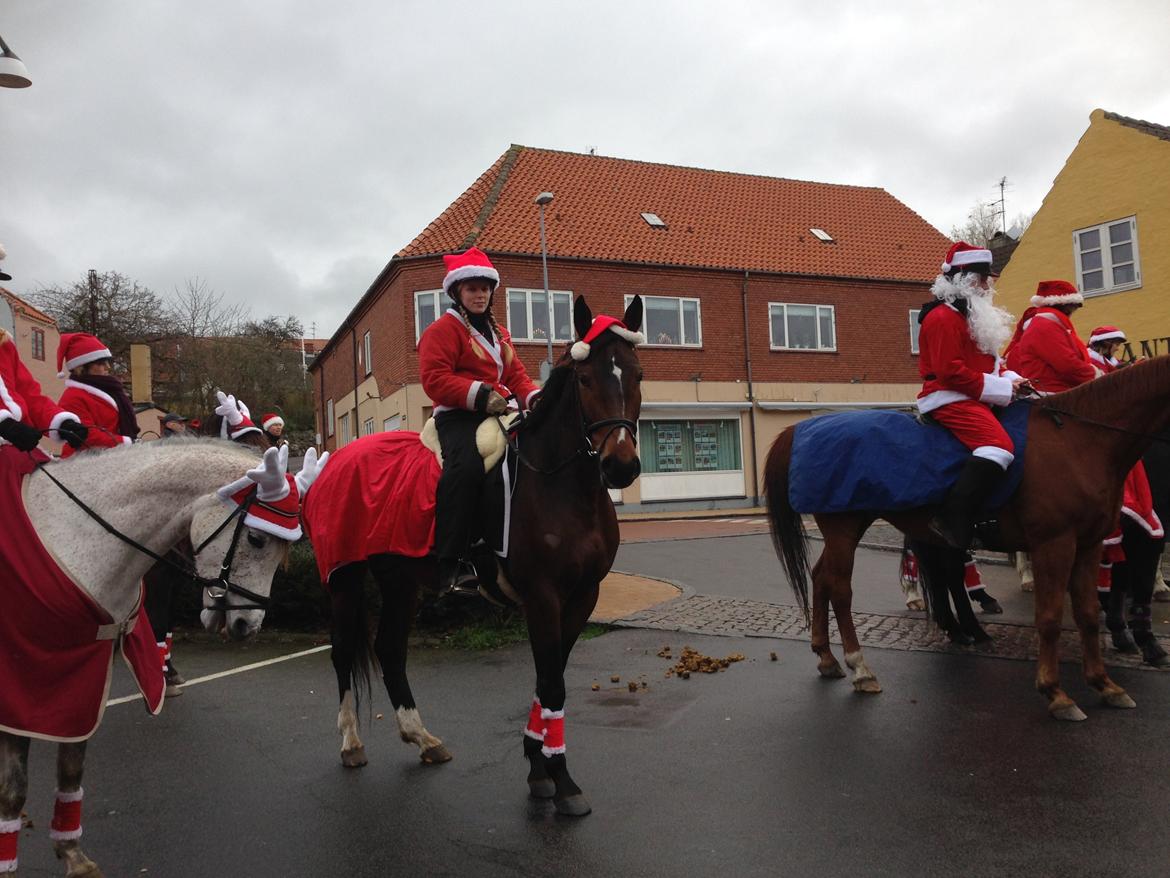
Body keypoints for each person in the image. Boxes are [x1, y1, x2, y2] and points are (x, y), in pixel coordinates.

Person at [419, 246, 540, 596]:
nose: (480, 294)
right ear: (457, 291)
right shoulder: (442, 331)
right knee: (467, 468)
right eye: (472, 288)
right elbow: (435, 379)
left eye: (485, 288)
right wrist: (481, 394)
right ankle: (451, 561)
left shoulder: (498, 332)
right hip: (458, 416)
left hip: (501, 411)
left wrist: (536, 398)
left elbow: (517, 375)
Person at [917, 241, 1025, 549]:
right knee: (999, 448)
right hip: (949, 397)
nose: (988, 284)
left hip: (975, 395)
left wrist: (1015, 380)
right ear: (964, 279)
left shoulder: (970, 316)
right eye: (982, 277)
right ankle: (951, 518)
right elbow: (950, 372)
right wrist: (1003, 388)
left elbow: (990, 366)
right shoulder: (942, 318)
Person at [0, 247, 88, 455]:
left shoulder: (3, 344)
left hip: (16, 449)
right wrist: (4, 424)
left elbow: (30, 395)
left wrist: (60, 421)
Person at [1002, 280, 1095, 393]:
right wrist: (1095, 375)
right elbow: (1067, 364)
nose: (1073, 312)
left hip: (1062, 391)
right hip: (1053, 394)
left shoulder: (1052, 324)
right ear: (1064, 305)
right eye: (1073, 307)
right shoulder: (1045, 326)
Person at [55, 332, 138, 456]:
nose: (107, 367)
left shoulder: (110, 390)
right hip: (83, 461)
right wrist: (125, 441)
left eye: (107, 362)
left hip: (113, 454)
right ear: (82, 367)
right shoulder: (72, 397)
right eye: (101, 363)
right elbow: (87, 435)